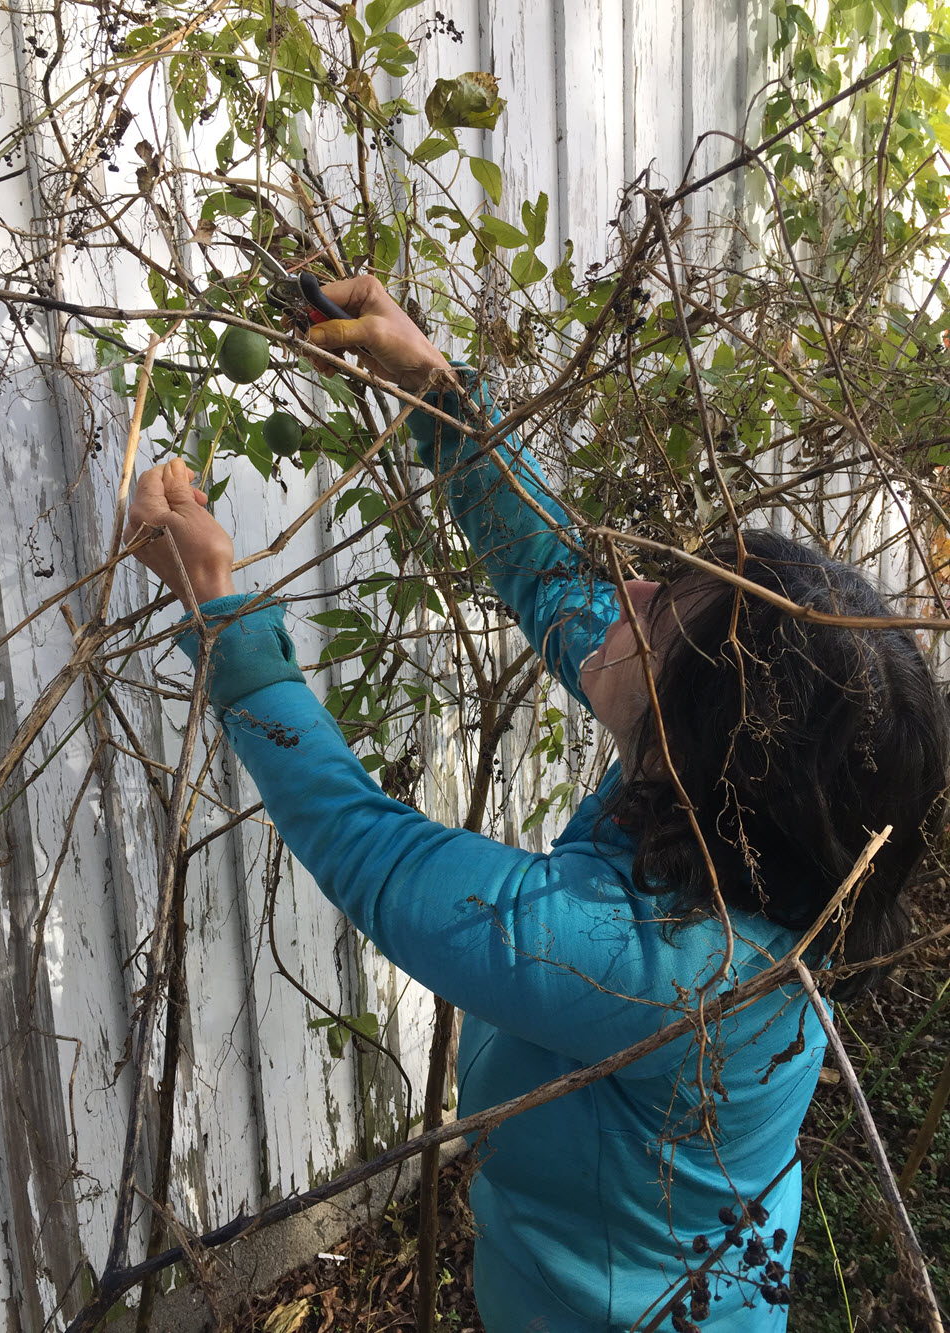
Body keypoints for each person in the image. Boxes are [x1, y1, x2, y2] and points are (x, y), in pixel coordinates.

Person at [126, 277, 948, 1333]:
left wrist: (223, 619)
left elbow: (379, 858)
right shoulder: (725, 820)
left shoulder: (674, 975)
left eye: (657, 617)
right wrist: (433, 390)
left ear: (702, 747)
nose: (632, 594)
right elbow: (558, 576)